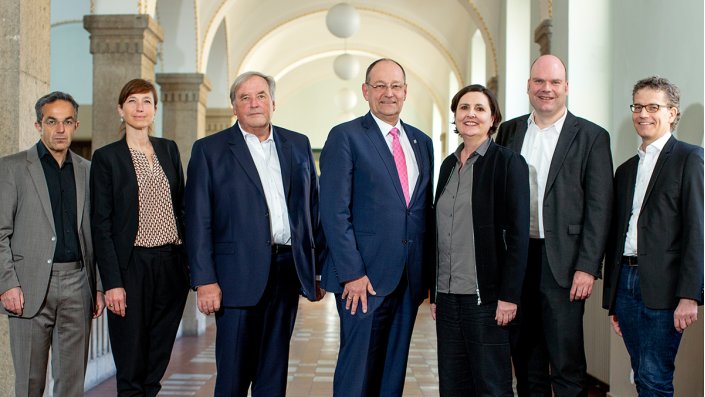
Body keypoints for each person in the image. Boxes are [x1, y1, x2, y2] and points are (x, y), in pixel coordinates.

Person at [185, 71, 326, 397]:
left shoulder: (298, 144)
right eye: (244, 98)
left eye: (260, 96)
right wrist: (205, 279)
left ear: (273, 102)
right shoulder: (210, 150)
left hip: (287, 271)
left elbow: (313, 210)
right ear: (233, 106)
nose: (253, 103)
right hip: (235, 277)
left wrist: (317, 270)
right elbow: (198, 220)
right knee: (233, 376)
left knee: (273, 375)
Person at [495, 54, 614, 396]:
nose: (546, 89)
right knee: (526, 358)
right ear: (528, 86)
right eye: (539, 82)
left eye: (554, 83)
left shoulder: (592, 136)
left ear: (566, 88)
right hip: (518, 259)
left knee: (566, 361)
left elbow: (599, 206)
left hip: (563, 262)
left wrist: (588, 267)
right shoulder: (510, 130)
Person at [320, 58, 435, 397]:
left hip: (408, 278)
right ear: (366, 92)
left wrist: (427, 276)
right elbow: (334, 212)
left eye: (395, 86)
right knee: (357, 374)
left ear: (405, 92)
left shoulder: (421, 142)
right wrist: (351, 273)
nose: (389, 93)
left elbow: (421, 211)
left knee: (392, 371)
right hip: (363, 281)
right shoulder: (346, 136)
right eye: (380, 86)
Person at [603, 76, 703, 396]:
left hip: (666, 288)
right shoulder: (626, 170)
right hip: (626, 286)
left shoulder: (690, 158)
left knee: (654, 375)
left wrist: (690, 295)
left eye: (653, 107)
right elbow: (617, 235)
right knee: (641, 372)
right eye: (637, 106)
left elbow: (697, 231)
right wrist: (613, 301)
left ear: (672, 113)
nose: (643, 114)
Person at [0, 91, 104, 396]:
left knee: (71, 384)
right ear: (38, 125)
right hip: (28, 287)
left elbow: (95, 233)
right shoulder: (13, 168)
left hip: (77, 285)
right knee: (30, 383)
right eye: (52, 121)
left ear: (75, 124)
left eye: (67, 121)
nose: (60, 129)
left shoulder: (87, 170)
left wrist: (97, 285)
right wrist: (7, 284)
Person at [90, 79, 190, 396]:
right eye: (132, 101)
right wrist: (112, 283)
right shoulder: (107, 158)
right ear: (121, 109)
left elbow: (183, 209)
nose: (140, 108)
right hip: (131, 266)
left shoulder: (168, 149)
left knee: (157, 358)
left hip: (171, 266)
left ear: (155, 109)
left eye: (147, 101)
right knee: (131, 361)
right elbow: (101, 226)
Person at [431, 84, 529, 396]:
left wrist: (509, 295)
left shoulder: (508, 163)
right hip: (447, 298)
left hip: (486, 298)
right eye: (463, 108)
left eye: (479, 108)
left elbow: (517, 234)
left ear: (493, 118)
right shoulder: (448, 165)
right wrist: (434, 292)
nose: (470, 114)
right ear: (455, 117)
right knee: (453, 383)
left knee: (492, 385)